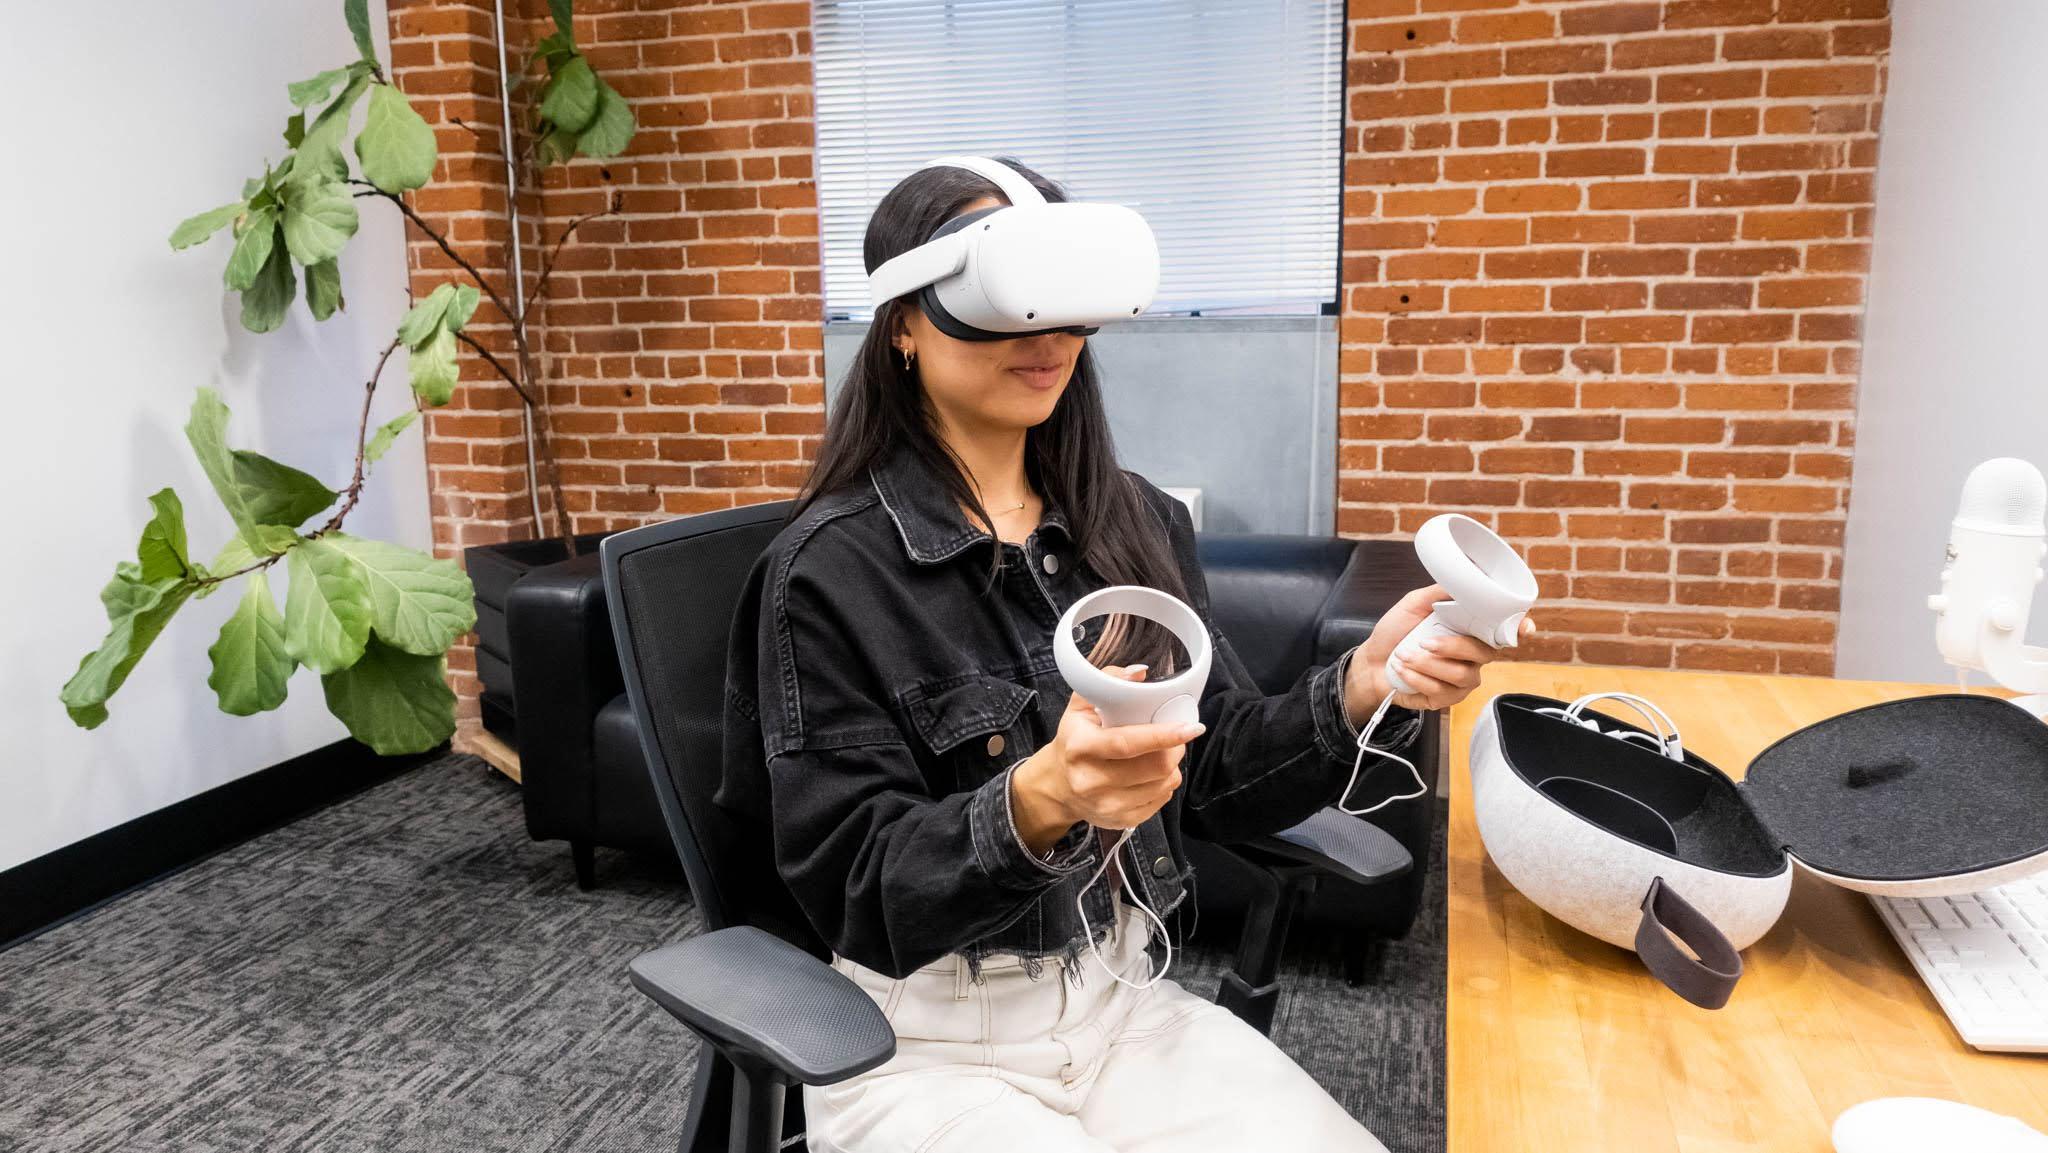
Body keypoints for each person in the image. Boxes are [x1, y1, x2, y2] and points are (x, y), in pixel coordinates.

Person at [722, 157, 1532, 1153]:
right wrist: (1040, 797)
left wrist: (1363, 685)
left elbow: (1220, 766)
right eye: (1007, 300)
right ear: (900, 320)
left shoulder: (1129, 520)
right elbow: (853, 887)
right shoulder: (826, 574)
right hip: (930, 1043)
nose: (1048, 336)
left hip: (1126, 1003)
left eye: (1067, 304)